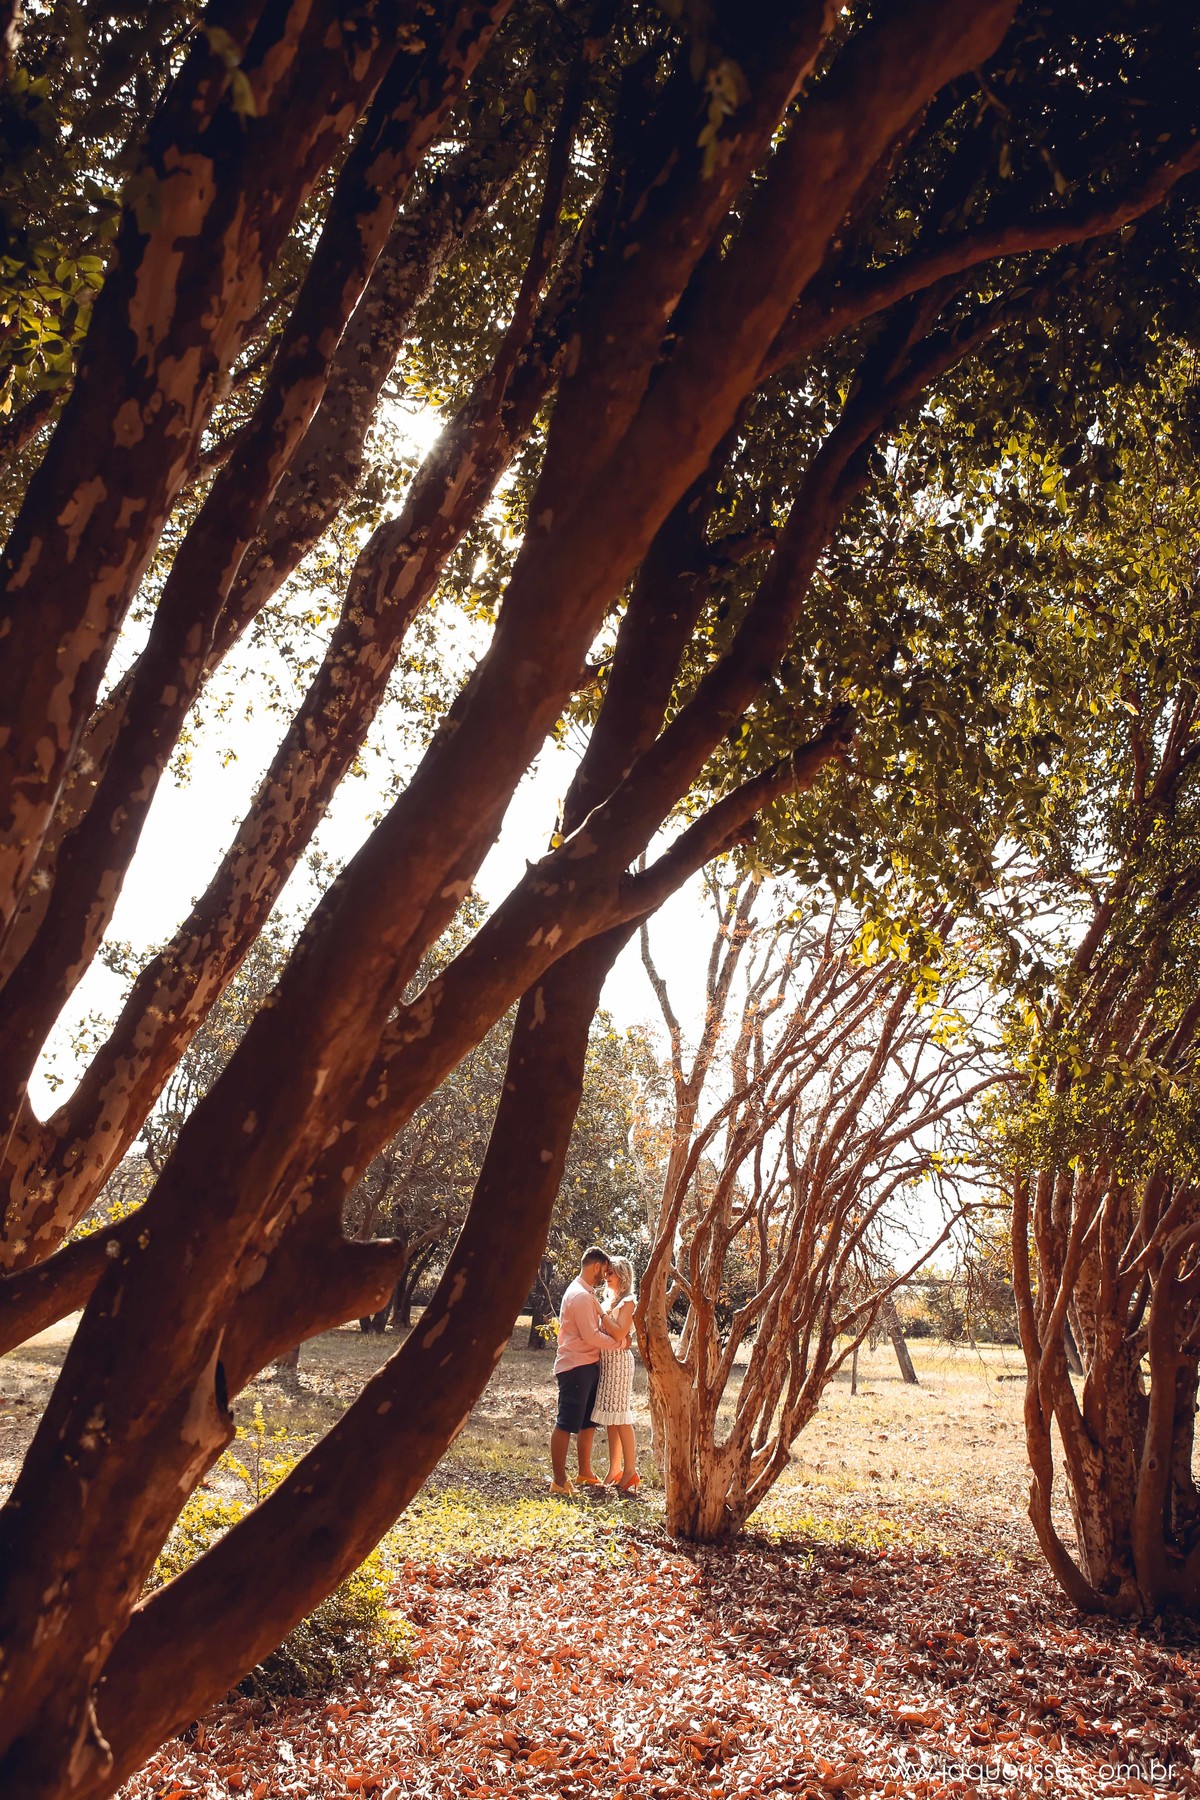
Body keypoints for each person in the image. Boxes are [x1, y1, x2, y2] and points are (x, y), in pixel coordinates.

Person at [549, 1246, 628, 1496]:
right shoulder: (581, 1296)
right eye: (603, 1271)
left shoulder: (586, 1293)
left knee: (587, 1422)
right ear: (595, 1266)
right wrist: (620, 1343)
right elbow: (591, 1335)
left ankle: (585, 1472)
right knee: (566, 1423)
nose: (604, 1276)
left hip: (589, 1365)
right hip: (575, 1366)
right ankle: (559, 1481)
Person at [593, 1256, 640, 1495]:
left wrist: (602, 1316)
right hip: (608, 1362)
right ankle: (615, 1469)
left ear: (622, 1276)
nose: (606, 1277)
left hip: (620, 1363)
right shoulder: (609, 1301)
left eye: (610, 1273)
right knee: (612, 1417)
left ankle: (631, 1470)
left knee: (621, 1416)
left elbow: (621, 1333)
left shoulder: (628, 1302)